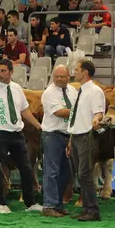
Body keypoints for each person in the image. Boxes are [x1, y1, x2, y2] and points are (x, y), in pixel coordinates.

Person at [0, 59, 43, 214]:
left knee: (27, 168)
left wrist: (38, 125)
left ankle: (30, 202)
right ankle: (1, 203)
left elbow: (24, 111)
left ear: (10, 72)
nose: (0, 74)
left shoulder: (16, 89)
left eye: (3, 71)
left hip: (17, 133)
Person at [67, 59, 106, 221]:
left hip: (86, 136)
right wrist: (70, 140)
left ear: (85, 72)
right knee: (81, 173)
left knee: (84, 173)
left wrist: (97, 119)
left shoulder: (95, 91)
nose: (74, 72)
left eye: (76, 69)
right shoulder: (80, 91)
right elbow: (75, 116)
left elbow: (98, 112)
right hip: (76, 135)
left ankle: (92, 210)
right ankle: (87, 208)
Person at [41, 65, 77, 217]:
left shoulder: (73, 91)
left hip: (67, 135)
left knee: (65, 173)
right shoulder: (49, 93)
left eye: (62, 76)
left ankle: (58, 204)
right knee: (51, 171)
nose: (59, 79)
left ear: (69, 77)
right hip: (52, 135)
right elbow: (59, 112)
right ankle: (48, 205)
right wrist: (80, 112)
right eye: (57, 76)